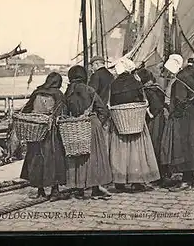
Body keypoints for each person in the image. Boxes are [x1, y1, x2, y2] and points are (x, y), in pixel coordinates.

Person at [109, 57, 160, 192]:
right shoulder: (136, 82)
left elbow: (112, 102)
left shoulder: (114, 84)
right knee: (137, 151)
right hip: (135, 120)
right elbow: (143, 100)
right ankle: (137, 181)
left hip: (120, 120)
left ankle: (119, 181)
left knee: (120, 151)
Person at [64, 65, 113, 200]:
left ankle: (79, 188)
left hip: (75, 126)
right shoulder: (90, 90)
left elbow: (63, 111)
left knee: (78, 158)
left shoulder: (68, 92)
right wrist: (98, 122)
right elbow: (103, 110)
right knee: (94, 158)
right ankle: (95, 188)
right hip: (92, 125)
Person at [163, 54, 194, 192]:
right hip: (191, 114)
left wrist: (173, 114)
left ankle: (186, 180)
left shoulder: (180, 79)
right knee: (191, 145)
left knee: (183, 146)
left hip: (183, 116)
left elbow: (181, 100)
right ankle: (191, 178)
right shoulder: (188, 75)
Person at [19, 72, 68, 201]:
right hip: (50, 132)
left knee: (36, 159)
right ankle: (55, 190)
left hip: (35, 130)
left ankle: (40, 190)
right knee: (54, 160)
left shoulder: (37, 92)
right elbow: (62, 112)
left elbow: (26, 109)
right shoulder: (58, 94)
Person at [136, 67, 170, 185]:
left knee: (154, 145)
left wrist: (148, 113)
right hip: (161, 119)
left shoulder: (148, 91)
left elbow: (155, 107)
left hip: (154, 121)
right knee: (160, 144)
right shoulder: (157, 88)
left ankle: (158, 174)